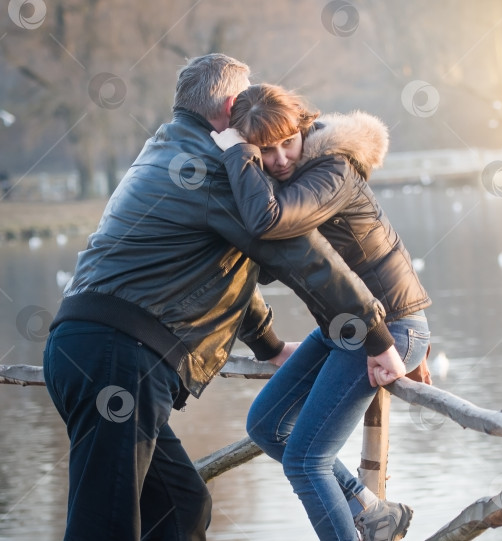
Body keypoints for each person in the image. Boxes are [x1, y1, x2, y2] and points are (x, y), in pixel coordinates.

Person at [42, 54, 405, 541]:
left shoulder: (167, 146)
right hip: (119, 357)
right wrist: (377, 337)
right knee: (103, 528)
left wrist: (271, 347)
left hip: (88, 348)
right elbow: (304, 259)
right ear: (234, 104)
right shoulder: (214, 168)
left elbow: (214, 273)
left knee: (182, 506)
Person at [211, 83, 432, 541]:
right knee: (267, 426)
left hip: (386, 330)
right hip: (345, 330)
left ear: (304, 128)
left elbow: (268, 222)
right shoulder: (282, 183)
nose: (279, 159)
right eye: (264, 151)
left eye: (285, 143)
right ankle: (370, 511)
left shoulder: (330, 170)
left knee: (306, 460)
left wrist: (237, 155)